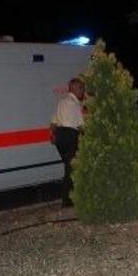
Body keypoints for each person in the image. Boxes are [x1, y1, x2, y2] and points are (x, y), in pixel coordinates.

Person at [51, 78, 86, 207]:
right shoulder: (75, 104)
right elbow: (81, 125)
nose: (83, 91)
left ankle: (68, 199)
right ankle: (67, 201)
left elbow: (53, 122)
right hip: (70, 135)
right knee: (71, 169)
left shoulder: (61, 102)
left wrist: (54, 136)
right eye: (81, 88)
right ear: (75, 89)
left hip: (60, 136)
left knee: (69, 167)